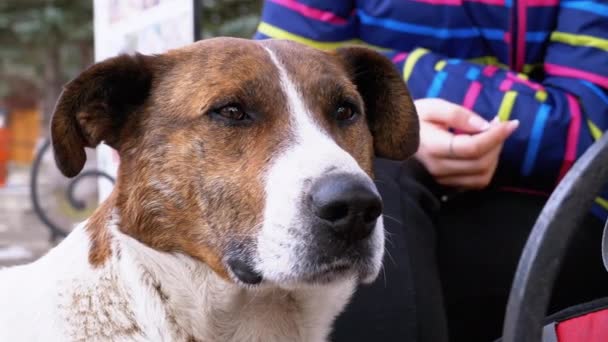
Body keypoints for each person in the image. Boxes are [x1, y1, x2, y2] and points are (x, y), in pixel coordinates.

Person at [254, 1, 608, 341]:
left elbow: (588, 128)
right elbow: (278, 80)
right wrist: (407, 129)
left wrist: (390, 89)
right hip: (387, 200)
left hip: (550, 218)